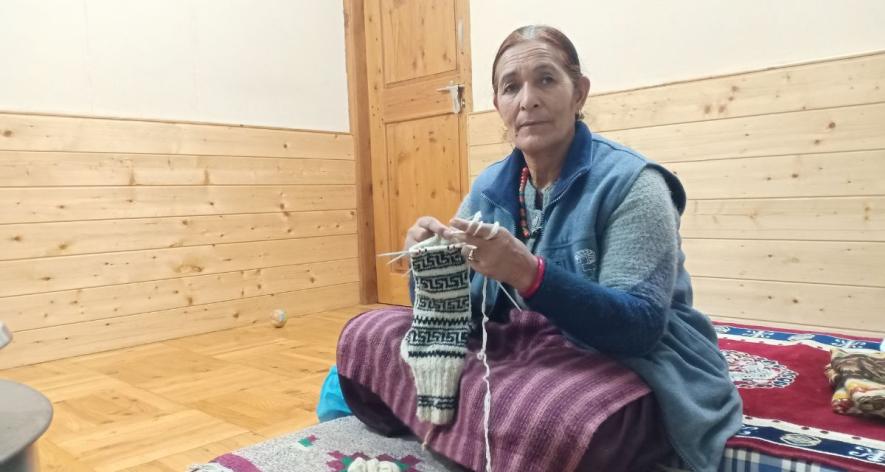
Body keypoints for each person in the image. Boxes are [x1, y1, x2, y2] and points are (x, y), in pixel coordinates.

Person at [336, 25, 742, 472]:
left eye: (546, 79)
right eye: (511, 87)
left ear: (578, 93)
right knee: (367, 334)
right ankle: (491, 435)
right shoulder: (491, 187)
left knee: (557, 413)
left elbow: (639, 328)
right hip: (520, 351)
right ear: (499, 107)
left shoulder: (635, 184)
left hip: (625, 363)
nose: (527, 99)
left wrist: (529, 274)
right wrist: (428, 265)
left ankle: (468, 430)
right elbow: (452, 320)